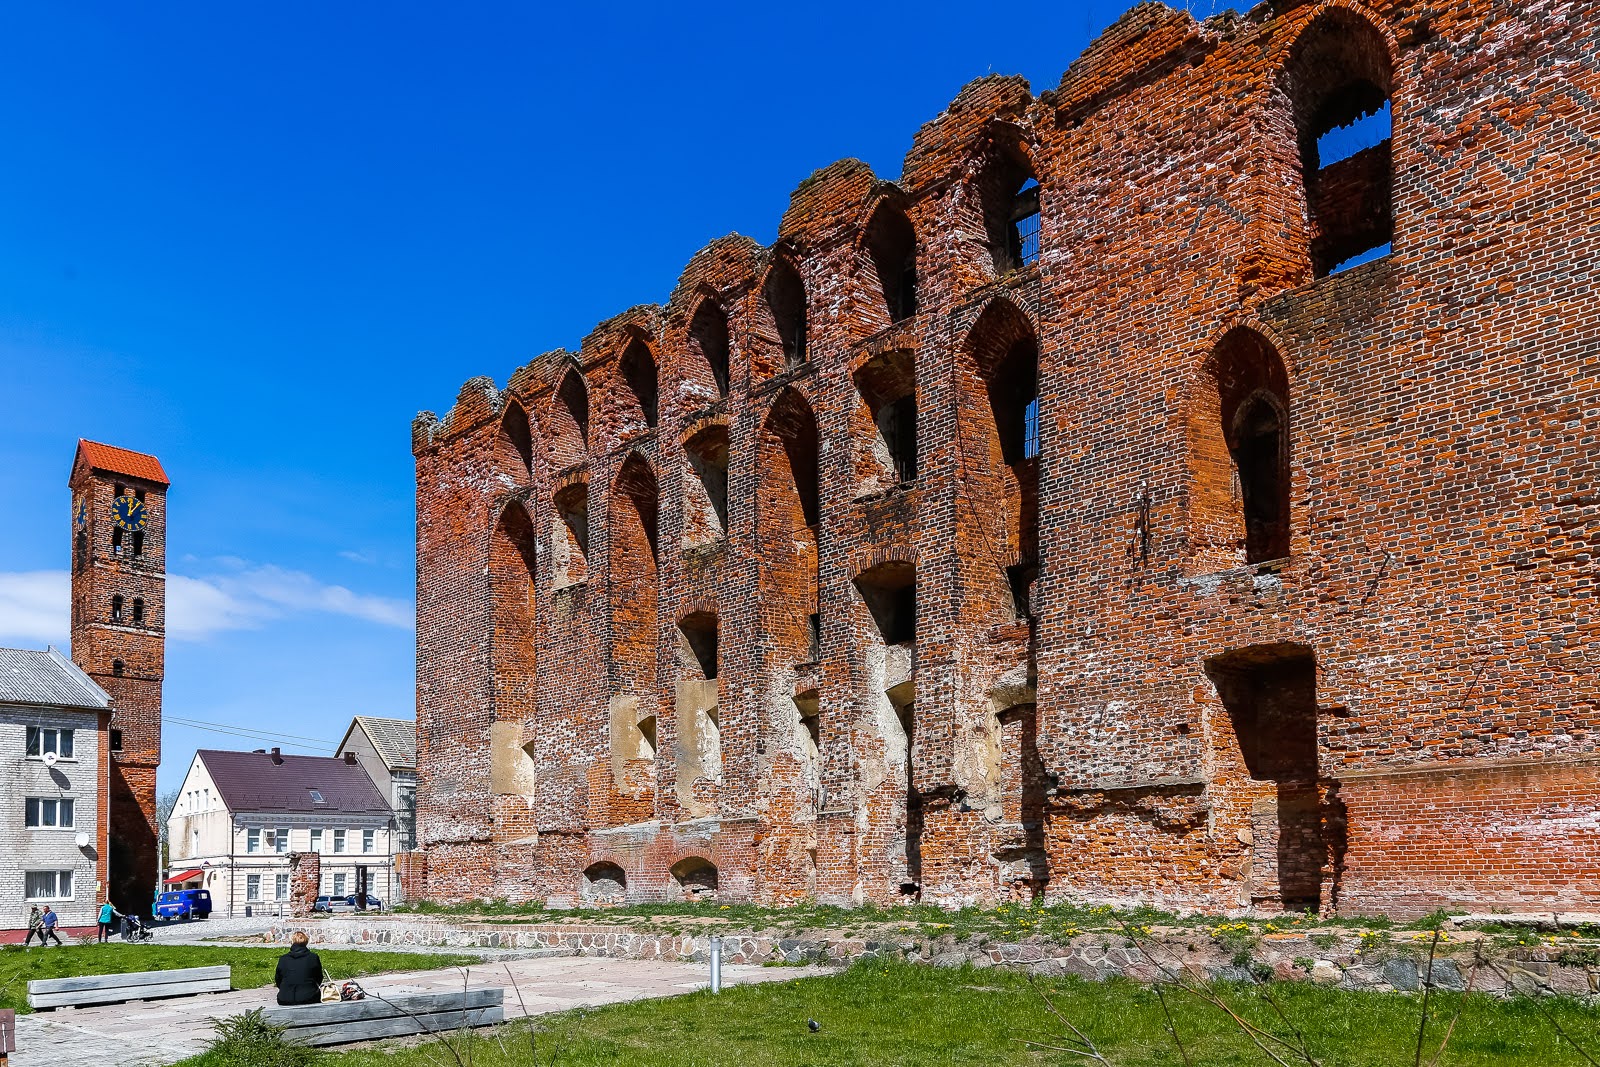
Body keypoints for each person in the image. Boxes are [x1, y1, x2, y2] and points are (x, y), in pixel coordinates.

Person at [273, 930, 323, 1006]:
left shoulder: (283, 959)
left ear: (292, 942)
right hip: (309, 997)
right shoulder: (313, 957)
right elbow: (319, 977)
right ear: (306, 942)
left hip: (285, 998)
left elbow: (278, 979)